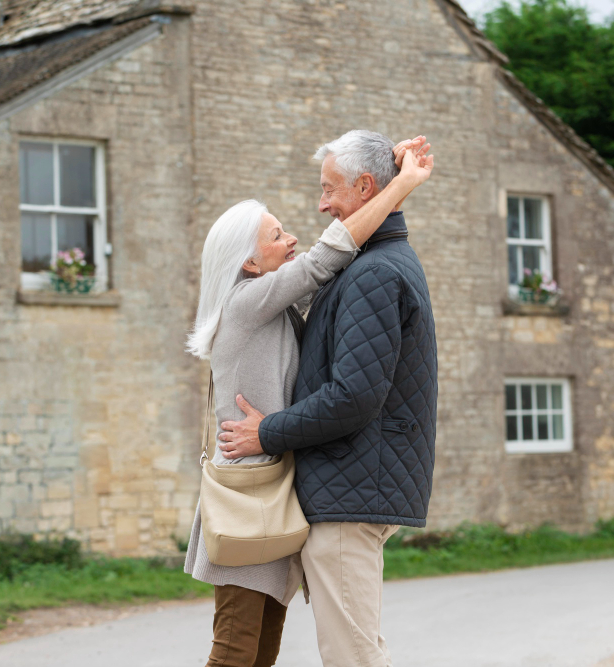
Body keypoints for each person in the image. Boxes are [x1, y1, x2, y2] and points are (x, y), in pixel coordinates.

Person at [185, 135, 434, 667]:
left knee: (260, 651)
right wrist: (403, 184)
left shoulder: (276, 304)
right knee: (235, 650)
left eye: (328, 190)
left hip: (273, 493)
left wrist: (381, 174)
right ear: (250, 264)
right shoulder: (251, 302)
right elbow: (330, 254)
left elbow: (335, 268)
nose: (294, 236)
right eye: (277, 236)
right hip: (251, 498)